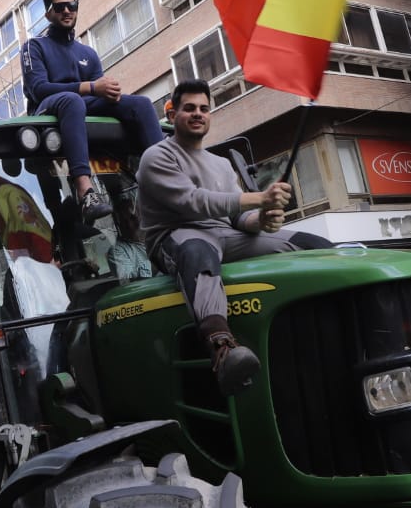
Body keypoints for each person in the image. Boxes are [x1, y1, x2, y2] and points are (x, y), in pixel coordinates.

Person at [137, 78, 332, 395]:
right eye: (189, 108)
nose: (198, 113)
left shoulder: (222, 164)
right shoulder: (156, 157)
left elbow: (240, 218)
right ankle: (223, 349)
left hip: (225, 235)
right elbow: (194, 202)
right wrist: (260, 199)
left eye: (204, 108)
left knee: (314, 245)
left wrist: (263, 219)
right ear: (171, 116)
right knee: (199, 250)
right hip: (177, 236)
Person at [21, 0, 165, 220]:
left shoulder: (88, 53)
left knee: (140, 103)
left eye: (72, 5)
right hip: (46, 110)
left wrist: (110, 91)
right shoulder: (34, 46)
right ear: (48, 14)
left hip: (80, 107)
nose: (67, 11)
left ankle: (166, 179)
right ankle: (86, 191)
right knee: (72, 100)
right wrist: (91, 87)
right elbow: (39, 89)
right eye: (60, 7)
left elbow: (100, 92)